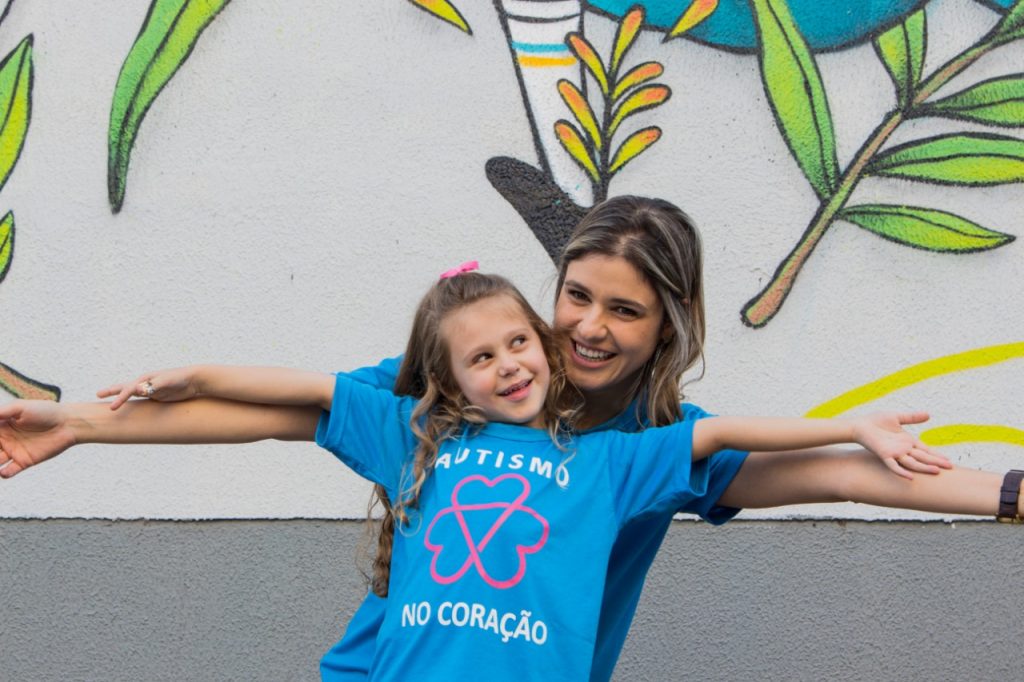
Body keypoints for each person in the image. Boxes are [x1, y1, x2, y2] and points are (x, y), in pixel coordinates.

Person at [0, 197, 1019, 680]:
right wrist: (81, 426)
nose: (589, 326)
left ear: (667, 324)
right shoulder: (466, 394)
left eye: (625, 311)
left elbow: (843, 474)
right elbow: (279, 411)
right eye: (578, 295)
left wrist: (1006, 491)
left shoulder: (652, 444)